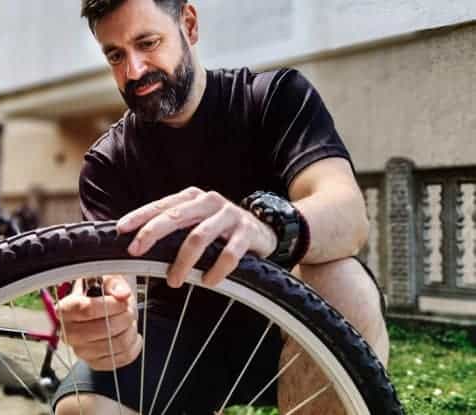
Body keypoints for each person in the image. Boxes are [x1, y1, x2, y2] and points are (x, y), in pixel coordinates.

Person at [55, 1, 389, 413]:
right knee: (83, 408)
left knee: (345, 283)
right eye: (116, 55)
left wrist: (264, 226)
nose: (134, 71)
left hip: (284, 317)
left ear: (189, 25)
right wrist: (106, 319)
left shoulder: (274, 98)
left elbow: (348, 215)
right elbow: (111, 279)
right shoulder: (108, 161)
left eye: (147, 42)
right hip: (176, 332)